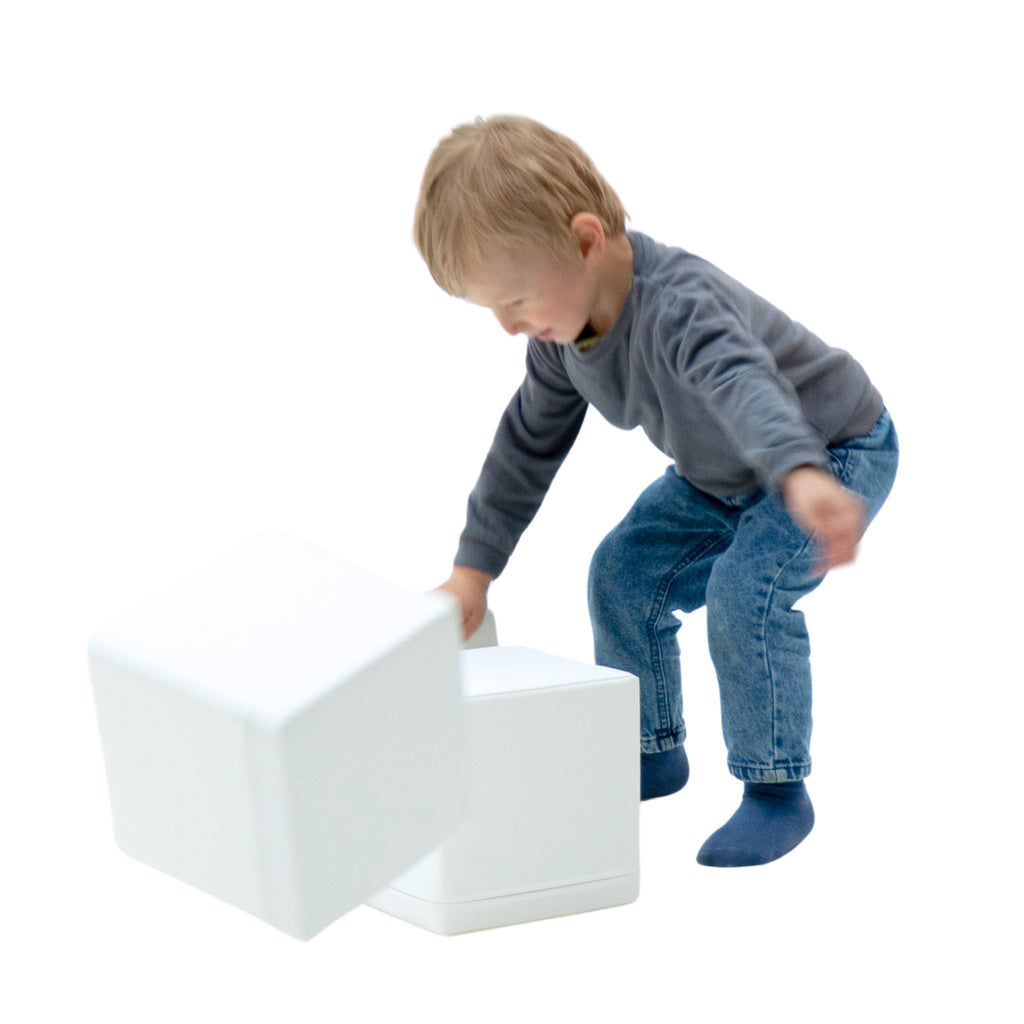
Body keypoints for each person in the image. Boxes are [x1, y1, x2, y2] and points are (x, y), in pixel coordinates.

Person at [415, 114, 898, 867]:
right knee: (622, 572)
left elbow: (746, 387)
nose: (508, 327)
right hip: (723, 475)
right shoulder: (564, 341)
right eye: (494, 310)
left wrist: (800, 473)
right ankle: (651, 748)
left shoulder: (681, 307)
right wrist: (473, 570)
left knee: (744, 592)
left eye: (515, 300)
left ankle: (776, 787)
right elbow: (527, 445)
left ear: (585, 242)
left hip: (827, 453)